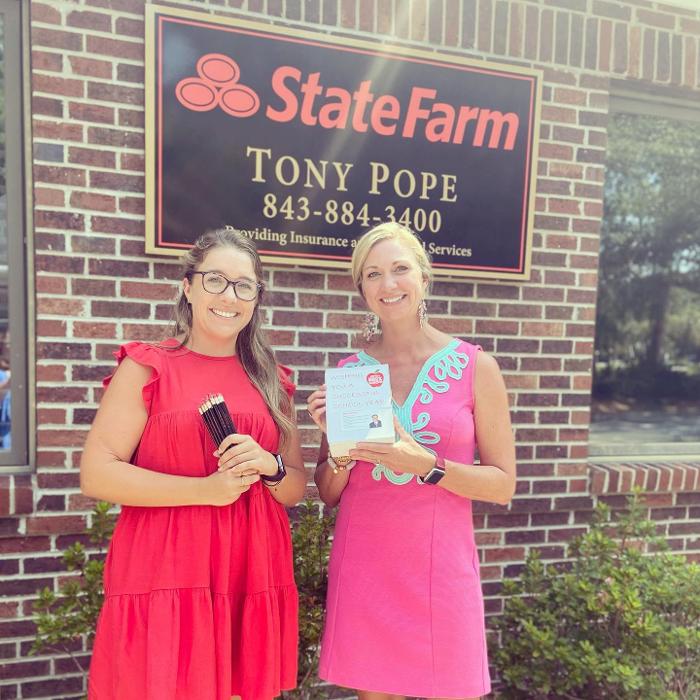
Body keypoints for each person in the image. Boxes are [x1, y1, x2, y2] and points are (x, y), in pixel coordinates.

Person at [80, 228, 307, 700]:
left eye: (244, 286)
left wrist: (270, 465)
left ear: (256, 298)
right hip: (167, 561)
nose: (230, 296)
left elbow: (294, 489)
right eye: (215, 280)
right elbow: (97, 472)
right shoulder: (148, 366)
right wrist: (205, 490)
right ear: (188, 286)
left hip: (249, 564)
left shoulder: (272, 381)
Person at [307, 222, 516, 700]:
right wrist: (338, 448)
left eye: (400, 268)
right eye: (373, 274)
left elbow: (502, 484)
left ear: (423, 276)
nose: (388, 284)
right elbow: (330, 493)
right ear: (362, 289)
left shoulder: (475, 367)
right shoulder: (350, 374)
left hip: (441, 568)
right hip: (367, 567)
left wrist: (426, 465)